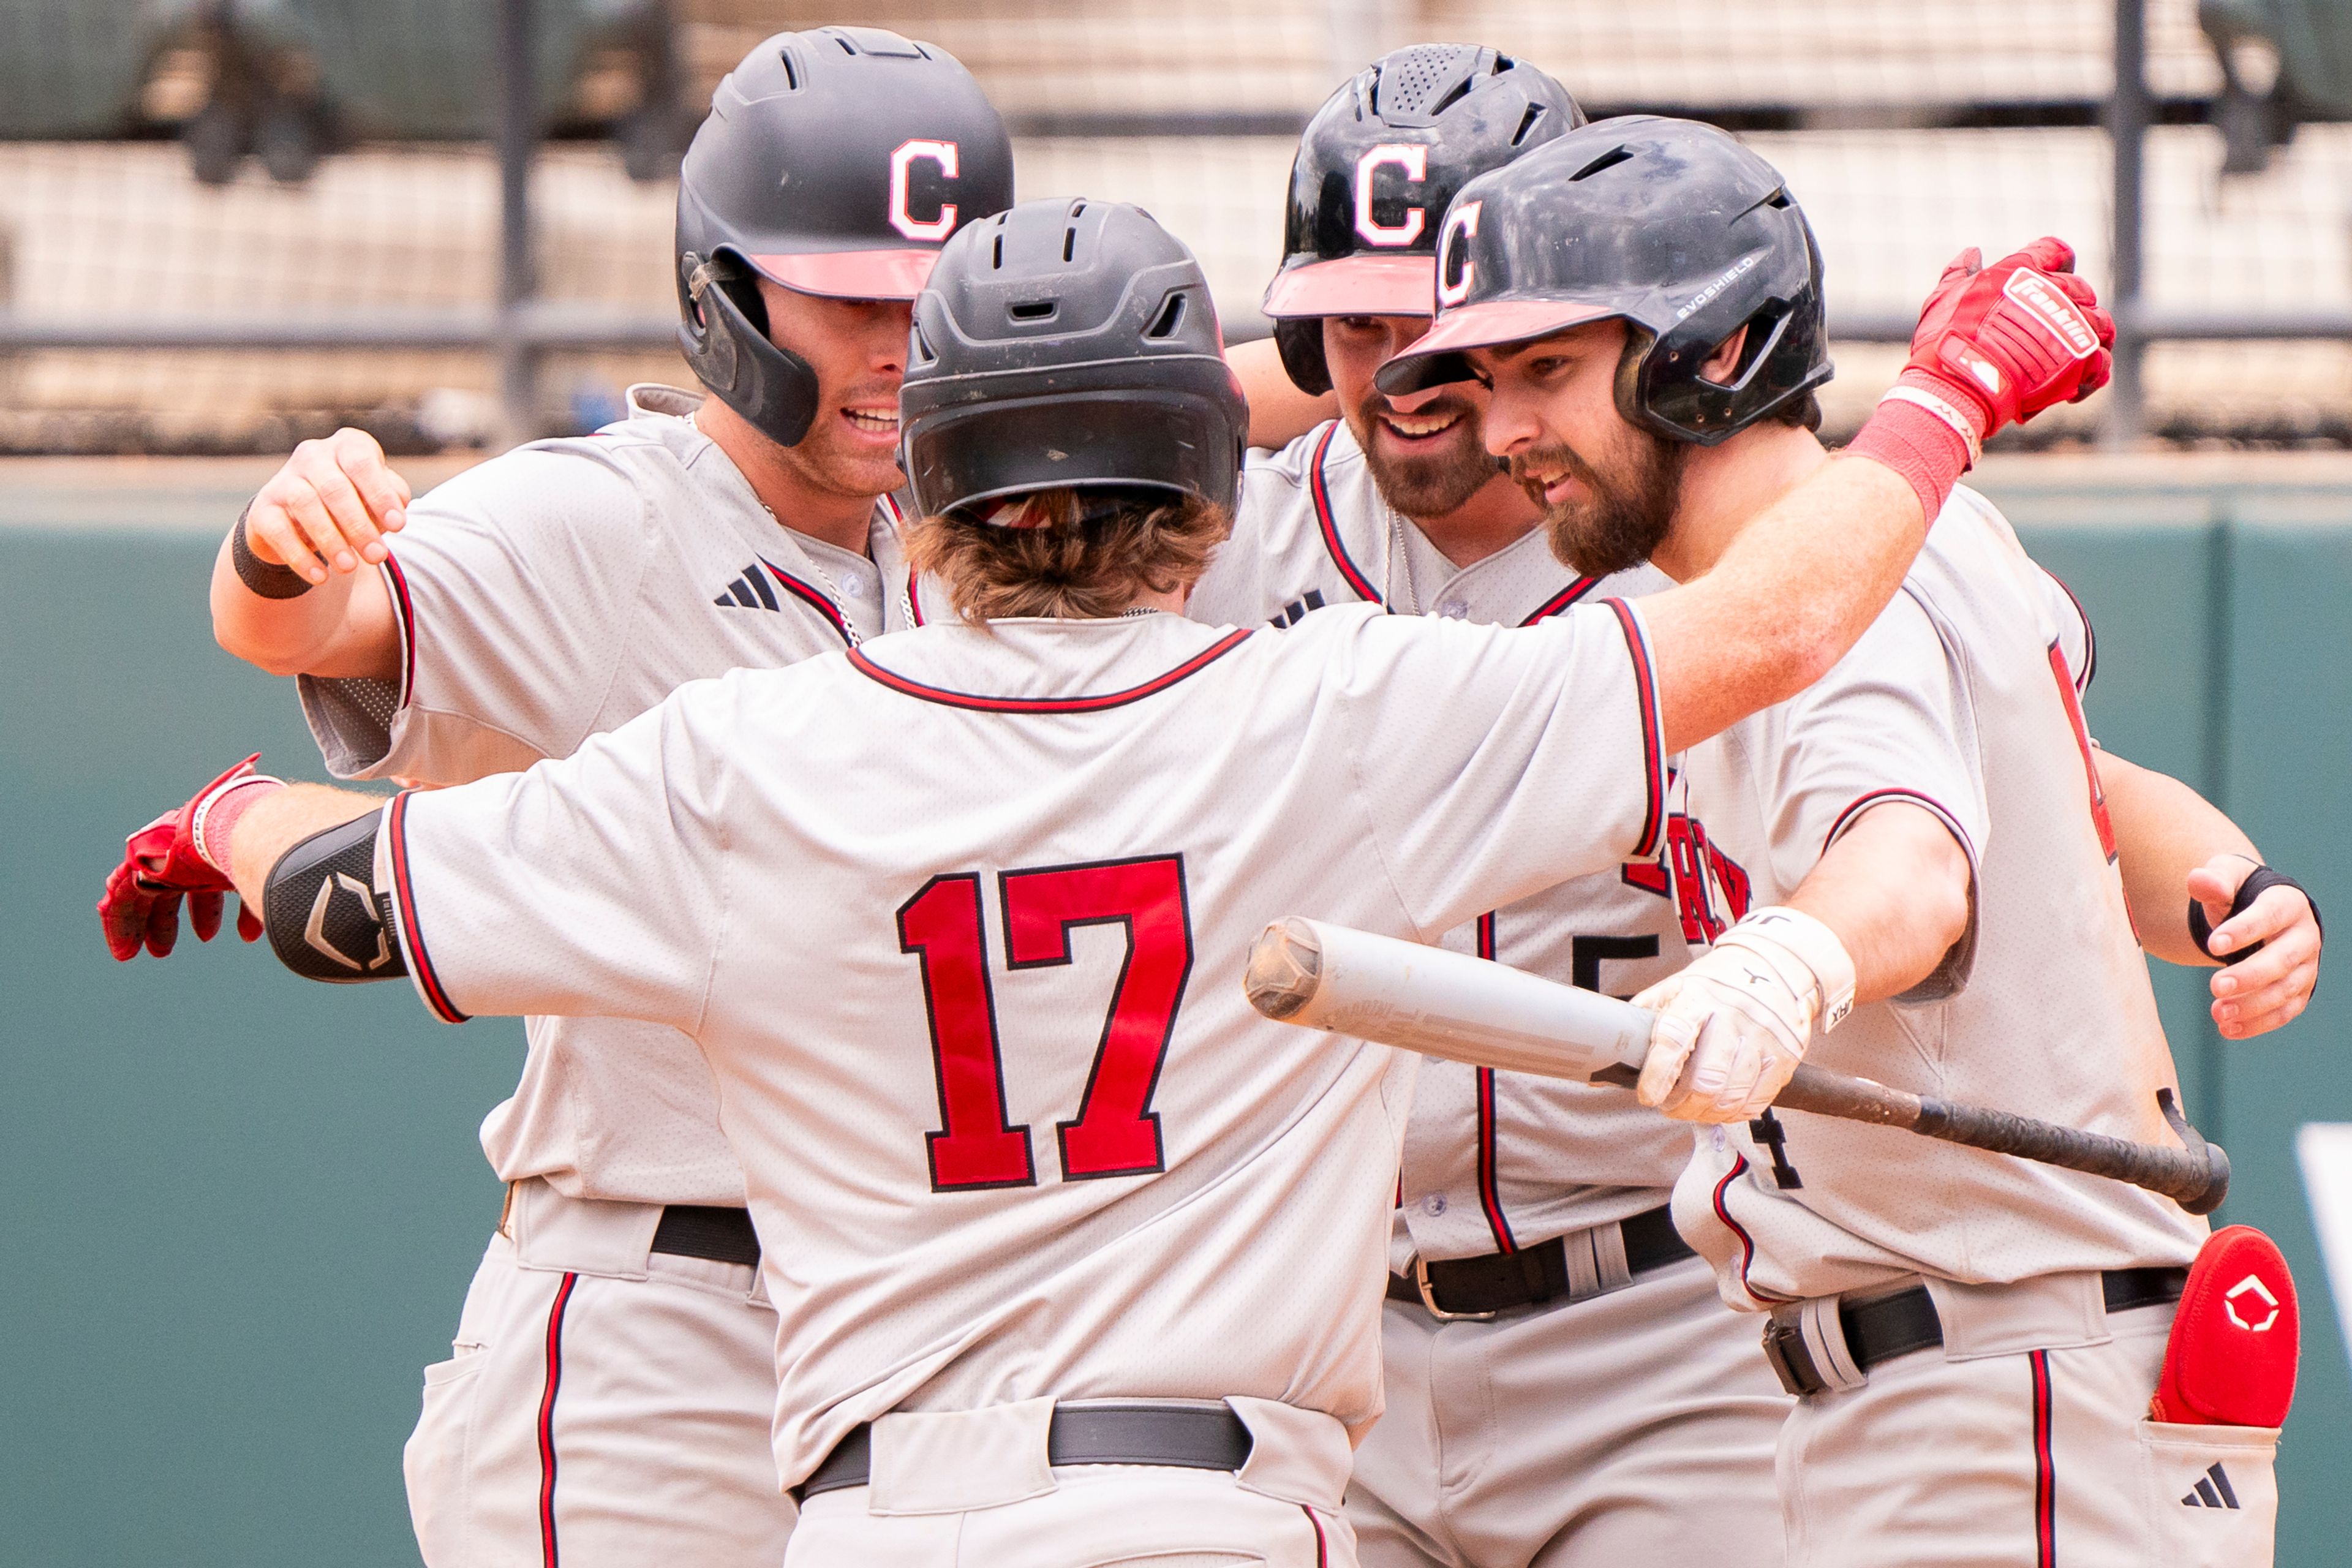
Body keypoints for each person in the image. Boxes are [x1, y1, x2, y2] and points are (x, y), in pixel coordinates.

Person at [100, 187, 2092, 1564]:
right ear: (1210, 497)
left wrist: (224, 818)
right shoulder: (1344, 715)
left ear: (925, 485)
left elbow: (339, 904)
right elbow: (1774, 632)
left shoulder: (748, 758)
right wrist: (1947, 396)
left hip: (865, 1517)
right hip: (1211, 1512)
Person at [1205, 65, 2318, 1568]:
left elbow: (1912, 865)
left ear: (1710, 354)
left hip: (2005, 1374)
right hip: (1906, 1378)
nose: (1500, 423)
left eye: (1546, 372)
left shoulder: (1852, 576)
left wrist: (1783, 961)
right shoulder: (1757, 589)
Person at [185, 28, 1016, 1568]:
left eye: (938, 298)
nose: (901, 343)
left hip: (924, 1328)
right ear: (727, 293)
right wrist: (279, 544)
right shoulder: (601, 515)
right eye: (850, 298)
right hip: (662, 1324)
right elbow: (300, 626)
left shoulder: (1004, 547)